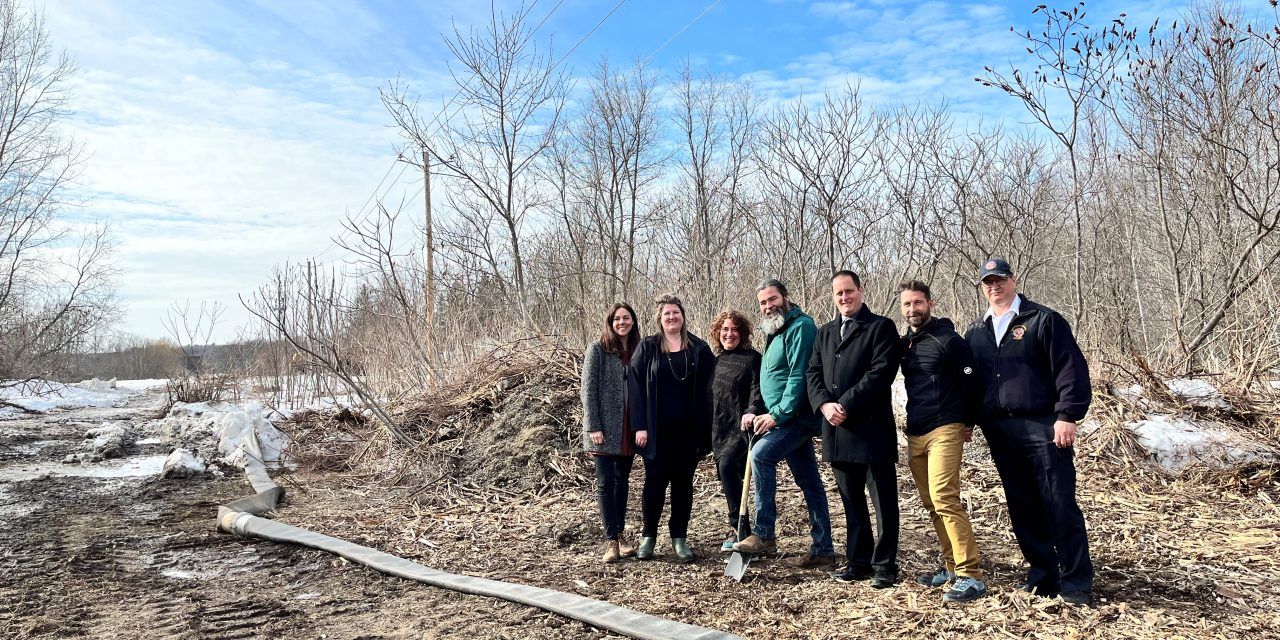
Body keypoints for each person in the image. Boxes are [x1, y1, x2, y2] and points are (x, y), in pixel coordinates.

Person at [964, 258, 1094, 606]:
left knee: (1059, 502)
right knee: (1022, 505)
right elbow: (971, 384)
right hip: (1000, 430)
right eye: (988, 282)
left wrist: (1067, 415)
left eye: (1000, 279)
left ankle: (1076, 581)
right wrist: (967, 420)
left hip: (1044, 425)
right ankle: (1043, 575)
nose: (995, 286)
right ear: (982, 287)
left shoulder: (1042, 320)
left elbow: (1071, 369)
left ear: (1013, 279)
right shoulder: (976, 331)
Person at [805, 270, 903, 588]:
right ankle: (858, 562)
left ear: (861, 291)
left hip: (871, 431)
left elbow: (880, 373)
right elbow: (813, 373)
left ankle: (885, 565)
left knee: (883, 503)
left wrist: (844, 404)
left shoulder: (880, 328)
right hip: (836, 430)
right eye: (838, 294)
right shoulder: (824, 333)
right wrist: (824, 405)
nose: (844, 298)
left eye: (849, 291)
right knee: (851, 502)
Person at [731, 279, 836, 569]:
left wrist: (777, 415)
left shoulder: (801, 327)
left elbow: (800, 377)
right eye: (763, 302)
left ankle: (764, 533)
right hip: (781, 415)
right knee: (810, 482)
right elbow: (773, 378)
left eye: (773, 299)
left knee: (761, 455)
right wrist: (757, 409)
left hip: (796, 417)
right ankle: (823, 549)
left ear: (786, 298)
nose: (768, 306)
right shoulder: (775, 330)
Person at [897, 280, 986, 602]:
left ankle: (970, 574)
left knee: (945, 497)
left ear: (930, 304)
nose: (912, 310)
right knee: (930, 502)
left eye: (918, 303)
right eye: (907, 305)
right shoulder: (905, 343)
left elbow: (973, 384)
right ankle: (951, 567)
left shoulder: (948, 340)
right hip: (915, 431)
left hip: (945, 428)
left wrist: (968, 421)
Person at [628, 294, 714, 563]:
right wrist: (639, 426)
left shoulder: (699, 348)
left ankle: (680, 538)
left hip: (688, 432)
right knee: (654, 484)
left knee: (683, 485)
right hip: (656, 433)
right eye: (667, 314)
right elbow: (635, 388)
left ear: (683, 316)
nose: (672, 317)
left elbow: (712, 389)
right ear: (660, 319)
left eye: (676, 312)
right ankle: (648, 537)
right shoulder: (648, 347)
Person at [580, 302, 641, 563]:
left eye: (626, 318)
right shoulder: (598, 349)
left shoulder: (638, 349)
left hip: (628, 426)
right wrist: (593, 425)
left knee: (622, 482)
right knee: (605, 483)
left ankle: (620, 534)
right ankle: (611, 540)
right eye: (617, 319)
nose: (622, 323)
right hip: (603, 429)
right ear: (610, 322)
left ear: (633, 322)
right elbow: (588, 389)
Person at [708, 309, 762, 552]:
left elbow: (757, 390)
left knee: (728, 467)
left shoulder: (752, 358)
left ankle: (743, 530)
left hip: (743, 428)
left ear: (743, 332)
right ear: (718, 332)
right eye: (725, 329)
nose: (729, 334)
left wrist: (752, 410)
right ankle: (741, 530)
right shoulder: (715, 360)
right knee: (727, 473)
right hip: (719, 429)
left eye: (734, 329)